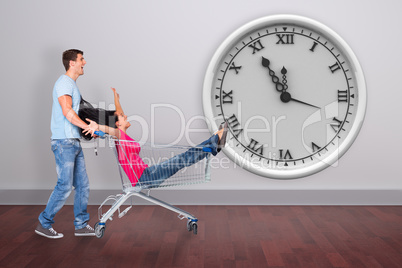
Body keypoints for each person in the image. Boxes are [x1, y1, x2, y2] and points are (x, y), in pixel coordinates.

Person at [81, 88, 228, 188]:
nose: (125, 115)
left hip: (147, 174)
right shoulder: (119, 136)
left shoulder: (123, 135)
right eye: (122, 116)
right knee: (183, 158)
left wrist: (116, 99)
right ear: (118, 124)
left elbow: (118, 114)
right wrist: (98, 127)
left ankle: (214, 141)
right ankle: (214, 141)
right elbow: (111, 129)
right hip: (145, 177)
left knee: (184, 157)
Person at [36, 49, 98, 239]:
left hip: (72, 141)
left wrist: (87, 128)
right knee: (64, 185)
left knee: (83, 186)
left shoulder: (71, 84)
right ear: (72, 63)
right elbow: (67, 111)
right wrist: (88, 128)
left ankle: (80, 225)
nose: (84, 63)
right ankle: (43, 223)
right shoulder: (64, 83)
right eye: (81, 59)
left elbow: (76, 114)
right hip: (64, 143)